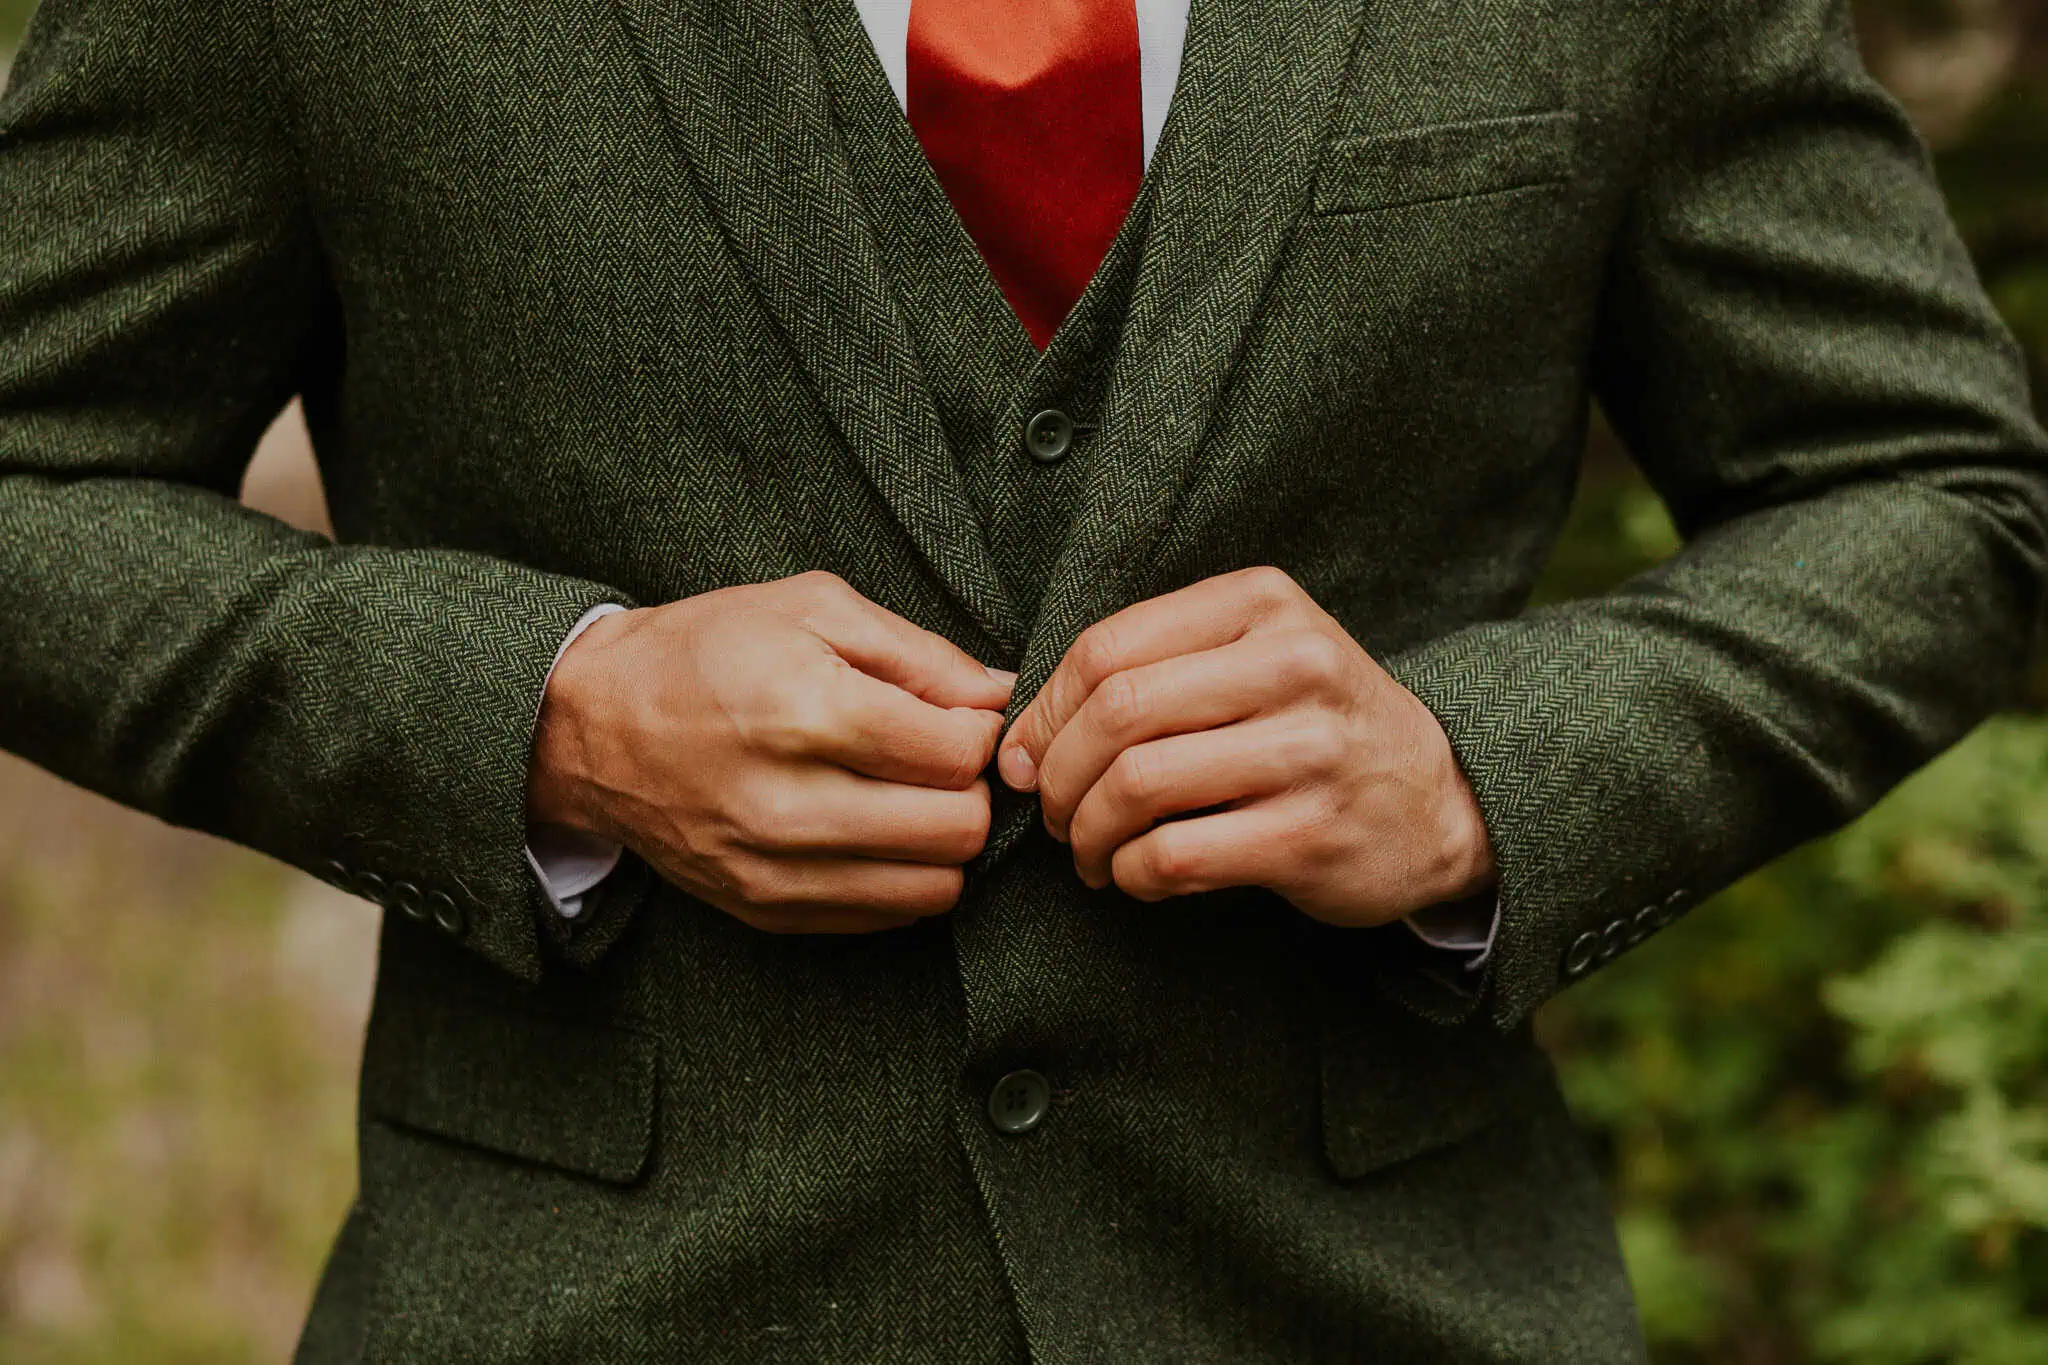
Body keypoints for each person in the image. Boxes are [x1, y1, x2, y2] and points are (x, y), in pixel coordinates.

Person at [2, 0, 2043, 1358]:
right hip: (587, 1305)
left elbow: (1932, 487)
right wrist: (552, 713)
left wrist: (1476, 775)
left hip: (1377, 1299)